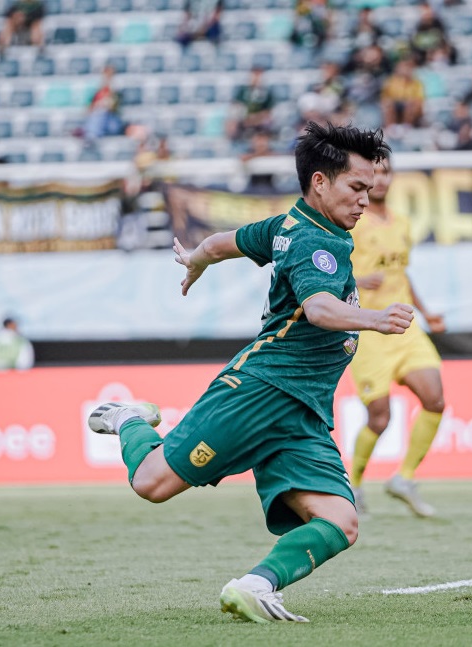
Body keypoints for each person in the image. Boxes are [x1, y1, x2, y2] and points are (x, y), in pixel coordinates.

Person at [86, 123, 408, 623]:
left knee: (341, 522)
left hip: (301, 409)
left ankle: (255, 586)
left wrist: (195, 260)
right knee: (151, 484)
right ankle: (128, 418)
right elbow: (320, 308)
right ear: (320, 182)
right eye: (357, 187)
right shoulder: (314, 242)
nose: (366, 200)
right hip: (261, 390)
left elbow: (219, 243)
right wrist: (375, 319)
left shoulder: (286, 225)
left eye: (370, 188)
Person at [347, 150, 446, 518]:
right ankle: (353, 485)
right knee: (379, 417)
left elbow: (401, 274)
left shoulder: (401, 223)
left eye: (387, 172)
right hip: (368, 328)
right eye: (376, 173)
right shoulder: (351, 223)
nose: (382, 179)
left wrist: (427, 312)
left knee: (435, 399)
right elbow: (322, 270)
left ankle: (404, 478)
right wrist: (354, 280)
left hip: (405, 326)